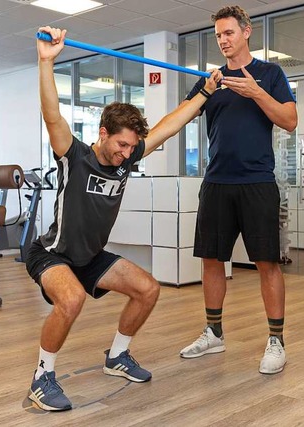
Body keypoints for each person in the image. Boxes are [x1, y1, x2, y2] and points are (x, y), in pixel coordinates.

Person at [27, 26, 222, 412]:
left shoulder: (127, 158)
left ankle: (117, 356)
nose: (127, 153)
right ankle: (41, 377)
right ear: (103, 134)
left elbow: (169, 124)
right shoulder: (74, 155)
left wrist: (204, 93)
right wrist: (46, 62)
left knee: (148, 289)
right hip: (53, 253)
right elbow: (52, 117)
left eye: (132, 147)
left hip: (90, 255)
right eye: (121, 144)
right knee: (71, 299)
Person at [178, 5, 297, 375]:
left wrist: (256, 93)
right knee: (212, 260)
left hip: (258, 183)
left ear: (247, 32)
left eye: (228, 33)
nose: (223, 40)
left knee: (267, 262)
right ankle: (213, 332)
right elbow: (182, 115)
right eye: (218, 35)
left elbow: (290, 121)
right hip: (216, 183)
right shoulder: (210, 81)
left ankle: (276, 341)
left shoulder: (270, 74)